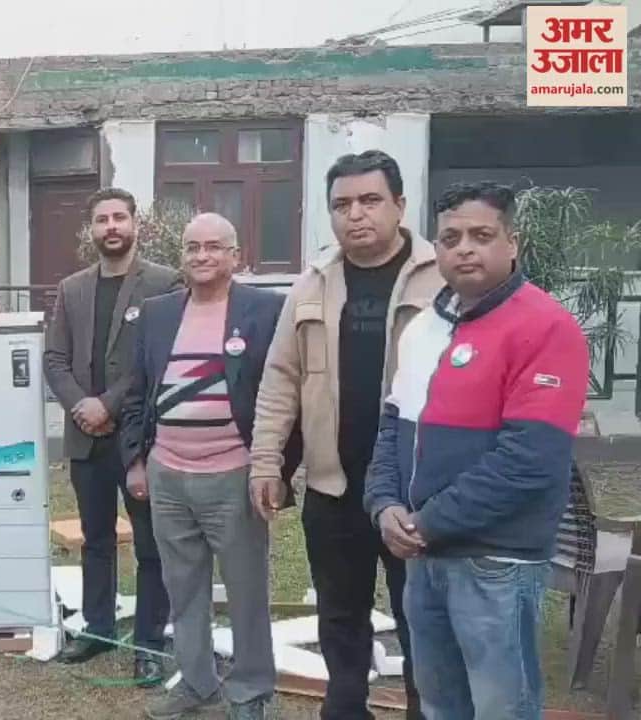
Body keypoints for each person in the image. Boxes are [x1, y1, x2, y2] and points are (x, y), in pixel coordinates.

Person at [364, 182, 589, 720]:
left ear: (512, 244)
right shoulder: (423, 328)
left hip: (496, 561)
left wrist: (427, 522)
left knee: (500, 708)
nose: (464, 248)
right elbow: (393, 426)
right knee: (441, 704)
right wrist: (384, 505)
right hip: (425, 557)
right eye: (450, 238)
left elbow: (530, 460)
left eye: (481, 235)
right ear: (435, 250)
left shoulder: (546, 327)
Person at [249, 150, 441, 720]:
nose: (355, 214)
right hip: (333, 486)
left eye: (370, 200)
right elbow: (280, 377)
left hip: (417, 491)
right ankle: (345, 707)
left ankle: (424, 708)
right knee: (340, 616)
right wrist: (266, 463)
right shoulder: (313, 282)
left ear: (400, 205)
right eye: (341, 204)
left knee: (420, 618)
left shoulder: (442, 275)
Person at [120, 214, 302, 720]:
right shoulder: (156, 314)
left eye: (214, 247)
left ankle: (249, 692)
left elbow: (287, 395)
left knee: (246, 592)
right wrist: (137, 461)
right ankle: (197, 684)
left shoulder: (266, 311)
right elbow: (137, 394)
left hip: (235, 475)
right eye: (192, 247)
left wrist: (277, 470)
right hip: (168, 474)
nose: (201, 256)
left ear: (235, 256)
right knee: (183, 588)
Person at [43, 187, 182, 685]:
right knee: (95, 539)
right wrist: (81, 405)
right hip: (86, 438)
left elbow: (158, 362)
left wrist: (108, 403)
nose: (111, 227)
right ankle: (98, 629)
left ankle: (149, 641)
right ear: (92, 229)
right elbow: (54, 359)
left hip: (140, 439)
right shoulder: (72, 288)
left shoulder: (165, 283)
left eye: (119, 217)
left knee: (150, 544)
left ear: (134, 223)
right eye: (102, 219)